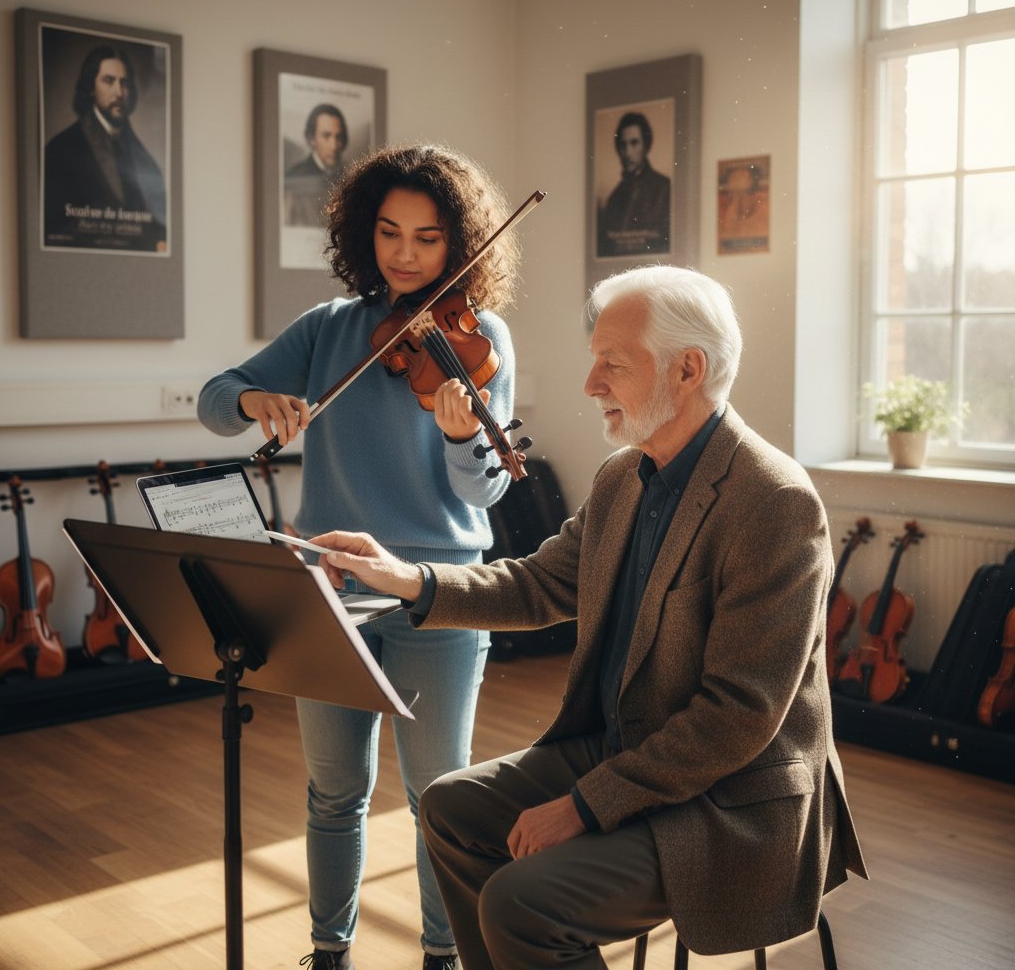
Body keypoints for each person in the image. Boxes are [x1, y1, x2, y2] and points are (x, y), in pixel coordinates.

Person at [311, 264, 868, 970]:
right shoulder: (623, 477)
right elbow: (539, 583)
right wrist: (404, 578)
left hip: (729, 800)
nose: (590, 384)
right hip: (629, 749)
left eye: (613, 363)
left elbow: (736, 716)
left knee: (521, 904)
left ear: (688, 370)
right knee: (450, 809)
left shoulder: (774, 501)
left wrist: (583, 805)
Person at [197, 143, 522, 970]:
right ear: (362, 232)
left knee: (437, 796)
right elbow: (214, 399)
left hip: (437, 594)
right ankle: (329, 952)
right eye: (388, 232)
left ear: (460, 242)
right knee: (334, 791)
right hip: (333, 591)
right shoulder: (330, 328)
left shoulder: (479, 338)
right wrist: (254, 397)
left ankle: (443, 954)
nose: (405, 255)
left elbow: (485, 492)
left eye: (428, 238)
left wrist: (462, 439)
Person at [43, 43, 166, 251]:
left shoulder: (145, 160)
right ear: (91, 88)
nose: (119, 92)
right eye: (109, 81)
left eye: (124, 83)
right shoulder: (59, 152)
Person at [597, 112, 671, 257]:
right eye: (623, 145)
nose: (628, 153)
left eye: (634, 143)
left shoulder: (665, 188)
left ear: (646, 145)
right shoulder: (614, 199)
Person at [284, 103, 349, 228]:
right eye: (326, 136)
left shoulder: (348, 178)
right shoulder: (294, 177)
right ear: (311, 139)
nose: (334, 145)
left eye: (338, 137)